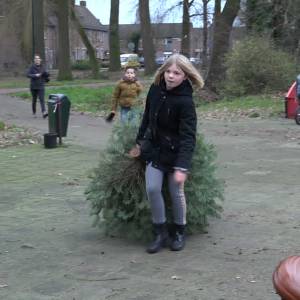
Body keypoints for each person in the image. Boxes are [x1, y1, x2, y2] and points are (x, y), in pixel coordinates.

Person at [129, 54, 204, 253]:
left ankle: (179, 232)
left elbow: (188, 137)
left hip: (176, 154)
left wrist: (182, 166)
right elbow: (147, 117)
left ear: (185, 77)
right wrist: (139, 142)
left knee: (175, 191)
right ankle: (160, 233)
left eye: (176, 73)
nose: (171, 76)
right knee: (153, 188)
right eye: (168, 72)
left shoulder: (186, 102)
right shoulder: (154, 90)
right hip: (155, 150)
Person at [27, 54, 49, 118]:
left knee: (42, 99)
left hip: (41, 85)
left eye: (38, 58)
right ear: (34, 60)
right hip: (33, 86)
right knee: (34, 100)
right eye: (36, 59)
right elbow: (28, 75)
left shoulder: (43, 67)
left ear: (40, 60)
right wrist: (35, 75)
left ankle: (44, 112)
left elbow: (45, 75)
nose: (37, 60)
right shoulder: (31, 67)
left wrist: (47, 76)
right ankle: (34, 112)